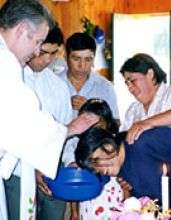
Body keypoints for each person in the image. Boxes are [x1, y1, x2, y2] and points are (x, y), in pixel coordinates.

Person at [0, 1, 98, 220]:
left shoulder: (11, 63)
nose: (37, 52)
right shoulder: (5, 64)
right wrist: (70, 129)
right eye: (37, 43)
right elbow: (25, 121)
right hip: (20, 169)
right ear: (22, 30)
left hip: (44, 167)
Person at [75, 127, 171, 220]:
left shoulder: (145, 141)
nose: (98, 169)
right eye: (93, 169)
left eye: (96, 161)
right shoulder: (122, 173)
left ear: (107, 144)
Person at [60, 32, 121, 220]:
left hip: (94, 162)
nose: (82, 66)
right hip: (58, 160)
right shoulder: (54, 83)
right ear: (66, 56)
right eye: (76, 59)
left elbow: (115, 124)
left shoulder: (104, 86)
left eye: (88, 60)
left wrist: (91, 108)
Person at [23, 24, 72, 220]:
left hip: (52, 172)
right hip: (18, 171)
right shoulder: (12, 79)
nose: (46, 60)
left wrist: (71, 161)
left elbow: (67, 131)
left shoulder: (58, 87)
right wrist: (31, 167)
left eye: (53, 54)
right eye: (42, 52)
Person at [119, 53, 171, 144]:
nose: (129, 87)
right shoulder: (133, 110)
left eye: (132, 80)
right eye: (127, 83)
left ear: (150, 74)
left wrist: (148, 123)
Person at [69, 98, 124, 220]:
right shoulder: (83, 149)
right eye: (86, 123)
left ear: (108, 123)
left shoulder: (117, 148)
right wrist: (74, 212)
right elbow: (76, 185)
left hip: (113, 204)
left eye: (97, 123)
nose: (91, 127)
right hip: (88, 206)